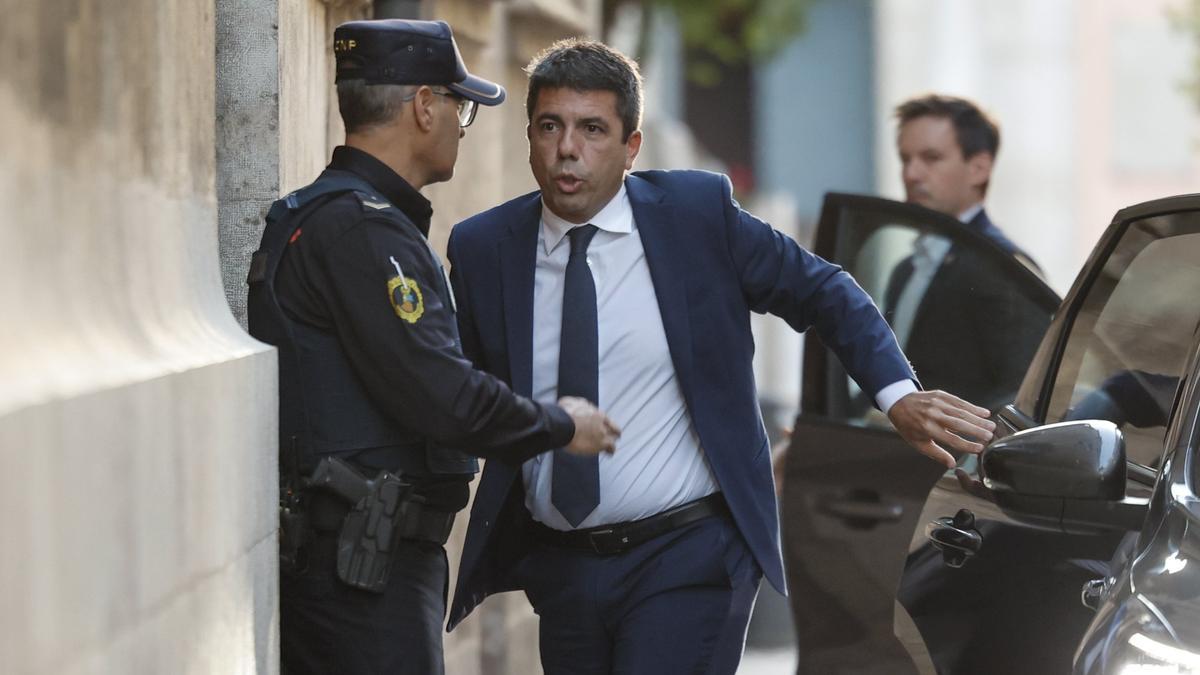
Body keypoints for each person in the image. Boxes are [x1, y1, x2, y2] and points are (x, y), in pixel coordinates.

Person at [444, 39, 995, 674]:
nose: (568, 148)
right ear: (531, 135)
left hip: (687, 556)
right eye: (550, 126)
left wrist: (896, 396)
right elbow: (466, 392)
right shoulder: (485, 248)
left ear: (631, 148)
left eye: (593, 129)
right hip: (561, 568)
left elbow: (824, 290)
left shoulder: (694, 216)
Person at [245, 20, 620, 675]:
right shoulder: (368, 236)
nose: (460, 125)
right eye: (459, 106)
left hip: (351, 562)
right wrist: (562, 423)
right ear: (423, 106)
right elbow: (442, 395)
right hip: (364, 574)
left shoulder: (314, 216)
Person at [886, 94, 1048, 410]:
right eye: (905, 159)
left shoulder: (1005, 268)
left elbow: (1025, 398)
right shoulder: (906, 269)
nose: (911, 174)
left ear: (978, 168)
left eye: (931, 158)